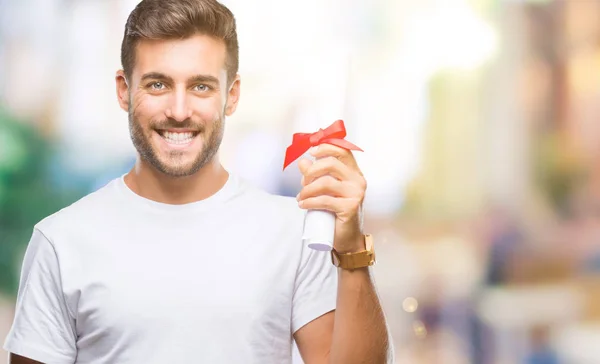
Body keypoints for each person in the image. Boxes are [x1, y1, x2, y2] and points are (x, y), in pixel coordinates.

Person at [3, 0, 391, 363]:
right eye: (157, 84)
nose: (179, 110)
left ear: (232, 95)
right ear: (124, 90)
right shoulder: (61, 241)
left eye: (201, 86)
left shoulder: (294, 232)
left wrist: (352, 248)